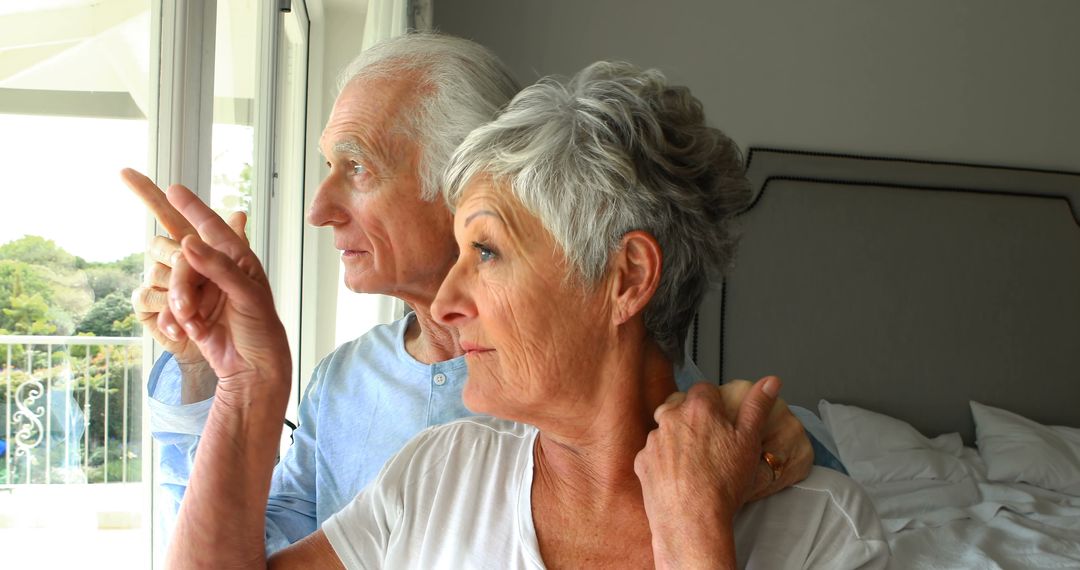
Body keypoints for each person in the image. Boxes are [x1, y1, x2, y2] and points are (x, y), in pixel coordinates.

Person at [153, 60, 888, 568]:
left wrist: (696, 537)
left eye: (488, 251)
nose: (446, 301)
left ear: (625, 277)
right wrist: (249, 380)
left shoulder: (821, 527)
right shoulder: (438, 474)